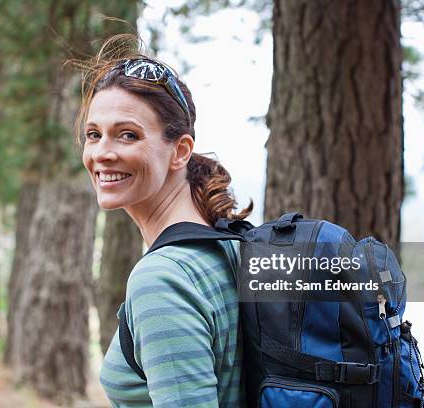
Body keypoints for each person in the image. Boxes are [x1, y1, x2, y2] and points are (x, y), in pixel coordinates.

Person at [77, 36, 252, 407]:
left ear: (180, 151)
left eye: (128, 135)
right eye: (94, 135)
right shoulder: (232, 246)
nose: (102, 153)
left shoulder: (163, 279)